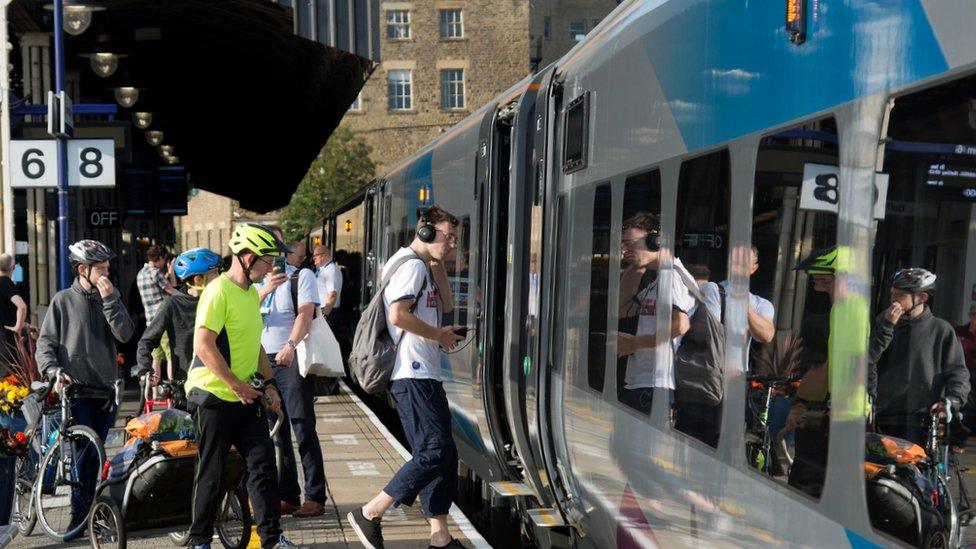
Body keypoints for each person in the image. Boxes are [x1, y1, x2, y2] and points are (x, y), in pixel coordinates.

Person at [348, 205, 466, 549]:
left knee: (445, 456)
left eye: (456, 239)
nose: (453, 245)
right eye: (448, 237)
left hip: (424, 373)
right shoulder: (411, 267)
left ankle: (440, 538)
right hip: (411, 374)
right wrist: (438, 336)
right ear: (426, 232)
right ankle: (370, 512)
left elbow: (445, 304)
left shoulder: (423, 265)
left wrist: (439, 261)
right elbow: (398, 316)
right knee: (432, 452)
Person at [183, 223, 302, 549]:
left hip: (247, 395)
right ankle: (199, 541)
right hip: (213, 395)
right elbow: (204, 346)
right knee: (213, 471)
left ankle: (271, 539)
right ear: (248, 258)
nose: (269, 268)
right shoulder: (217, 291)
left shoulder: (250, 293)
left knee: (263, 468)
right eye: (265, 261)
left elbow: (256, 346)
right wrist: (237, 386)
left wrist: (270, 386)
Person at [35, 240, 135, 534]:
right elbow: (45, 343)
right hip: (75, 389)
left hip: (104, 389)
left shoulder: (110, 297)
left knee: (98, 455)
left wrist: (111, 302)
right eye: (100, 268)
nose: (107, 273)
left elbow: (126, 334)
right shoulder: (63, 300)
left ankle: (91, 516)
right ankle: (81, 519)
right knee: (84, 455)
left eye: (107, 267)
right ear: (82, 269)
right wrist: (53, 370)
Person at [258, 238, 327, 519]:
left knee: (302, 426)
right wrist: (264, 291)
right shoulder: (254, 285)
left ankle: (315, 496)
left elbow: (305, 314)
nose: (271, 262)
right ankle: (288, 495)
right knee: (277, 431)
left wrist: (290, 345)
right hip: (262, 362)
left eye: (275, 256)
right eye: (266, 257)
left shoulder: (301, 276)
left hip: (290, 358)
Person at [871, 268, 970, 446]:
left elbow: (958, 372)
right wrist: (886, 328)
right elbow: (867, 361)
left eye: (901, 295)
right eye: (892, 294)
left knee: (917, 471)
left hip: (921, 420)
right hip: (883, 417)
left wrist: (951, 400)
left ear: (922, 298)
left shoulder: (941, 329)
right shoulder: (881, 322)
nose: (893, 300)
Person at [616, 212, 694, 415]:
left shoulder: (672, 275)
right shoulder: (657, 281)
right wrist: (636, 265)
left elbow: (681, 324)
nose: (624, 250)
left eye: (630, 243)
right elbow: (620, 307)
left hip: (657, 383)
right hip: (641, 379)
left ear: (655, 240)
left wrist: (635, 343)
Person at [136, 248, 222, 383]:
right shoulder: (172, 304)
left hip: (221, 381)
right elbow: (146, 340)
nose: (220, 277)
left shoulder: (219, 301)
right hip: (186, 383)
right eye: (214, 273)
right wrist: (144, 370)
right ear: (199, 279)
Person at [136, 245, 175, 383]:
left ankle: (154, 391)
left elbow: (156, 285)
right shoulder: (155, 273)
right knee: (171, 356)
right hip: (162, 320)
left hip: (150, 322)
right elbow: (171, 290)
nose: (164, 263)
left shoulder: (141, 274)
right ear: (159, 258)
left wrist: (167, 274)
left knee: (156, 357)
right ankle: (172, 386)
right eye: (164, 259)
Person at [0, 253, 28, 368]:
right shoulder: (7, 284)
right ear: (12, 268)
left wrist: (25, 324)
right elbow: (21, 306)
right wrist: (18, 326)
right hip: (6, 342)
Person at [312, 245, 343, 327]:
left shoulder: (331, 270)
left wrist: (324, 315)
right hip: (323, 310)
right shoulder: (323, 269)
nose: (313, 258)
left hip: (327, 311)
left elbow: (332, 295)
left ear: (324, 255)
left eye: (316, 255)